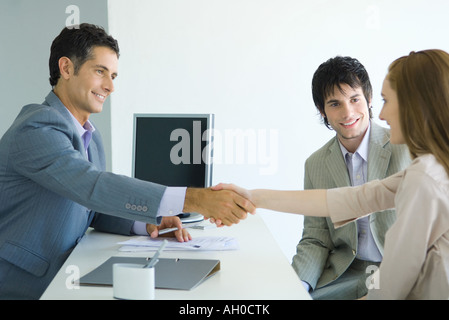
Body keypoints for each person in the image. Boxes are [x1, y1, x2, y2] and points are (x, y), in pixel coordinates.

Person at [0, 23, 254, 300]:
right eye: (100, 72)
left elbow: (90, 207)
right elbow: (91, 186)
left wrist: (144, 225)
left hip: (69, 273)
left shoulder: (90, 138)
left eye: (113, 75)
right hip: (24, 284)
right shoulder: (37, 127)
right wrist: (193, 199)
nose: (109, 86)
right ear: (66, 68)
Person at [214, 49, 449, 300]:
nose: (380, 114)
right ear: (322, 110)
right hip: (349, 277)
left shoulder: (423, 178)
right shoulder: (426, 171)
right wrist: (252, 196)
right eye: (335, 103)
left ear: (415, 106)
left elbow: (392, 284)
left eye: (386, 101)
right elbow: (345, 200)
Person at [292, 56, 410, 299]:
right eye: (334, 104)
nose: (348, 112)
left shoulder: (406, 147)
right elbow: (316, 238)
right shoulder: (315, 165)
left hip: (400, 272)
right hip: (345, 274)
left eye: (354, 99)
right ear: (322, 111)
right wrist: (297, 287)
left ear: (368, 100)